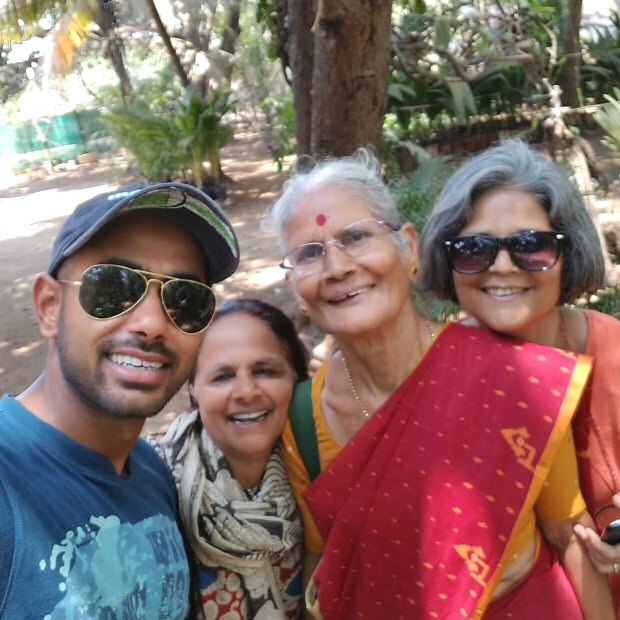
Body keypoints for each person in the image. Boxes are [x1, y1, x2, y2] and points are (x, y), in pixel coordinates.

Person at [266, 150, 614, 619]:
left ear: (408, 249)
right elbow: (328, 567)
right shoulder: (303, 421)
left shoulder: (508, 377)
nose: (337, 267)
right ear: (296, 289)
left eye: (356, 237)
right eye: (309, 253)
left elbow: (569, 539)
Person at [0, 182, 239, 618]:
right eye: (113, 286)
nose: (152, 323)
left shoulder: (150, 471)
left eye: (185, 299)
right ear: (50, 307)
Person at [419, 138, 620, 611]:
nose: (504, 266)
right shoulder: (430, 376)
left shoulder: (613, 351)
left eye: (532, 246)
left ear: (568, 252)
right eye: (474, 249)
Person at [154, 298, 308, 619]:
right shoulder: (151, 484)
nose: (246, 391)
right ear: (193, 387)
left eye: (265, 371)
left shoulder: (320, 468)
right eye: (223, 376)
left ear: (295, 376)